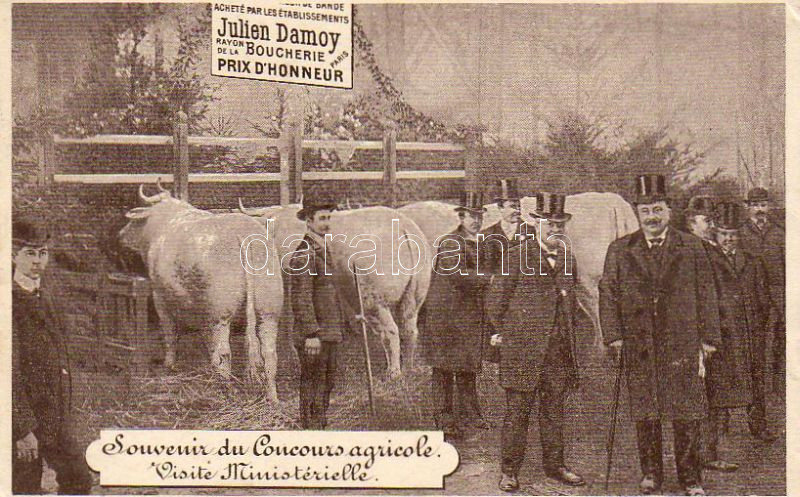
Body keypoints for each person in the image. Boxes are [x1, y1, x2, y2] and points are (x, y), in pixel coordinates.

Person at [599, 175, 720, 496]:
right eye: (645, 211)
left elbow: (708, 293)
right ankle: (651, 473)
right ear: (637, 214)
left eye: (657, 210)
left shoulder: (692, 247)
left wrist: (709, 338)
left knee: (686, 413)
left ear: (669, 210)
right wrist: (613, 336)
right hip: (640, 344)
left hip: (682, 342)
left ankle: (690, 478)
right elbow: (607, 294)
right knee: (646, 411)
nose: (651, 217)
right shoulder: (620, 249)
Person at [486, 192, 584, 492]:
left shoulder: (567, 257)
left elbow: (570, 304)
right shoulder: (518, 255)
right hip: (523, 351)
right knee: (518, 413)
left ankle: (555, 466)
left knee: (553, 412)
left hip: (557, 352)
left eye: (560, 224)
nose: (555, 229)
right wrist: (508, 334)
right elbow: (495, 301)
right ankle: (509, 471)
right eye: (549, 224)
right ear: (537, 224)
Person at [12, 219, 93, 494]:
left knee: (79, 479)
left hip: (53, 415)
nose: (38, 261)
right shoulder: (9, 301)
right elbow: (7, 374)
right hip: (22, 418)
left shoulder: (47, 296)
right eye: (29, 253)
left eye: (43, 253)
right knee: (24, 486)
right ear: (13, 256)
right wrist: (22, 430)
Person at [422, 191, 491, 438]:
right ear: (461, 217)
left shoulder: (479, 242)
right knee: (443, 369)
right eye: (471, 216)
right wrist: (489, 278)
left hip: (467, 315)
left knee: (467, 368)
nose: (476, 221)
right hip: (446, 317)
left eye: (479, 216)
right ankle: (444, 419)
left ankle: (470, 416)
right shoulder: (451, 242)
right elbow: (456, 274)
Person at [712, 202, 776, 443]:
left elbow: (763, 296)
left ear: (739, 235)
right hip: (723, 331)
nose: (729, 239)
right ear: (716, 235)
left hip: (750, 332)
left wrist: (758, 323)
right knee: (721, 377)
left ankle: (758, 424)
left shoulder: (752, 261)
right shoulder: (709, 262)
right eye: (724, 234)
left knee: (755, 377)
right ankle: (720, 424)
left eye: (733, 234)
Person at [287, 197, 344, 429]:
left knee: (327, 380)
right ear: (309, 222)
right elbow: (301, 296)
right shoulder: (304, 253)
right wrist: (311, 333)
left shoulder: (324, 249)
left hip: (329, 330)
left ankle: (319, 422)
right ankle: (311, 426)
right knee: (314, 379)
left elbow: (329, 291)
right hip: (315, 333)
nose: (326, 223)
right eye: (322, 218)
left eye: (328, 218)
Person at [479, 178, 535, 365]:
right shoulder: (487, 235)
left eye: (518, 206)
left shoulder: (531, 232)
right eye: (512, 206)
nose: (517, 210)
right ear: (500, 208)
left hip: (523, 295)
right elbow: (482, 269)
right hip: (496, 297)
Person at [738, 187, 784, 395]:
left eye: (763, 205)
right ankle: (756, 388)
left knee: (780, 339)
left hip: (777, 295)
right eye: (755, 205)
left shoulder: (779, 233)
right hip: (751, 296)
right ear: (747, 207)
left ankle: (780, 386)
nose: (759, 209)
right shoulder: (740, 233)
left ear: (769, 207)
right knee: (755, 342)